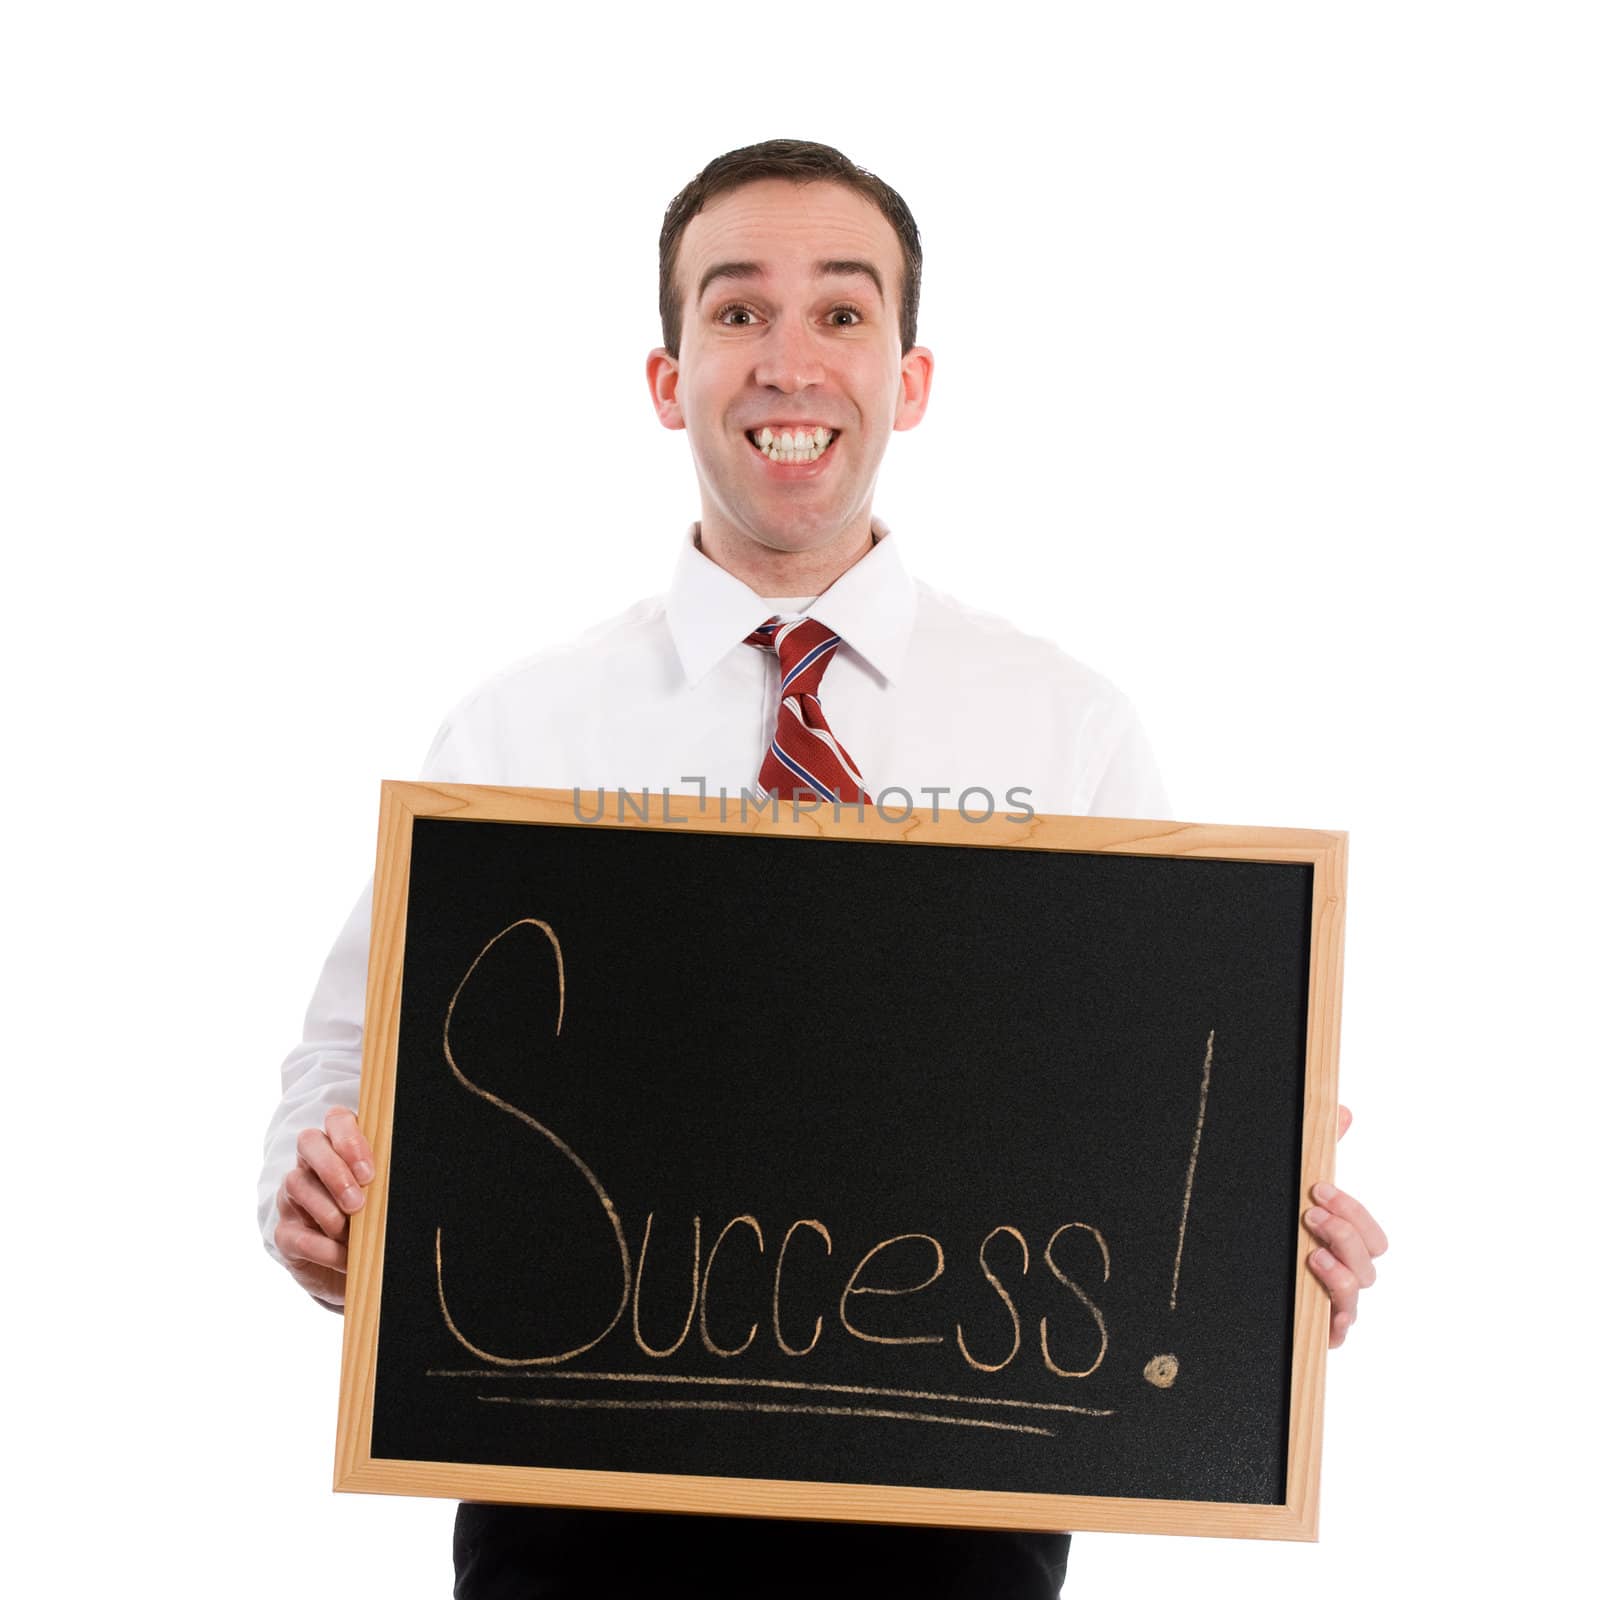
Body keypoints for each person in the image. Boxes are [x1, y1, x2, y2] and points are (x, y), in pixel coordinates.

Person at [259, 138, 1388, 1599]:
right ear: (669, 380)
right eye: (736, 313)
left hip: (957, 1504)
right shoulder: (519, 727)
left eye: (842, 314)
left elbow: (1161, 1104)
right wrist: (316, 1198)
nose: (789, 362)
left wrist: (1263, 1273)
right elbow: (348, 1060)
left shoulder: (1065, 723)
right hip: (575, 1500)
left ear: (909, 379)